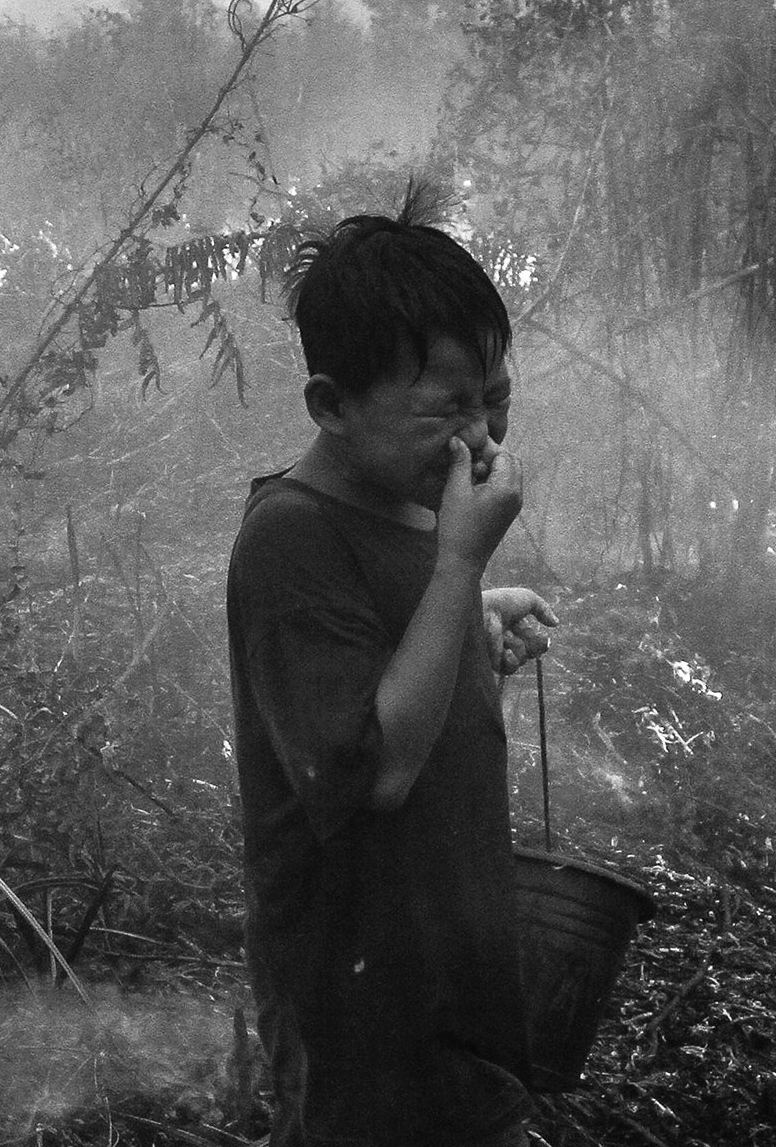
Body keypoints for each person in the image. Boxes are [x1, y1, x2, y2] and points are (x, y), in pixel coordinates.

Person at [227, 184, 557, 1147]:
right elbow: (373, 770)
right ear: (331, 405)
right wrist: (463, 564)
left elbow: (391, 655)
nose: (483, 441)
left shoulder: (402, 506)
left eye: (496, 402)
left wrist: (467, 625)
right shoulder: (289, 537)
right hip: (358, 1005)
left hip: (450, 974)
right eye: (447, 412)